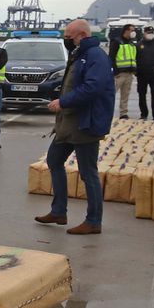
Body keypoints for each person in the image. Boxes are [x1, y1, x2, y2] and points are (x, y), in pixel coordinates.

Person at [37, 19, 113, 235]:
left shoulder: (95, 56)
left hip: (85, 123)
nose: (66, 40)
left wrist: (64, 102)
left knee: (88, 172)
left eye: (69, 37)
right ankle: (59, 211)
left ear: (81, 35)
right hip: (68, 122)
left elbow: (93, 87)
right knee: (54, 160)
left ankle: (93, 220)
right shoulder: (79, 54)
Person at [111, 24, 139, 119]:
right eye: (132, 30)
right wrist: (115, 72)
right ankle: (106, 111)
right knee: (111, 93)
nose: (133, 32)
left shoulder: (132, 43)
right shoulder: (117, 42)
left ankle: (123, 113)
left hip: (129, 73)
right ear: (126, 31)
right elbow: (111, 57)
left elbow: (135, 57)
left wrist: (135, 70)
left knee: (125, 95)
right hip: (119, 73)